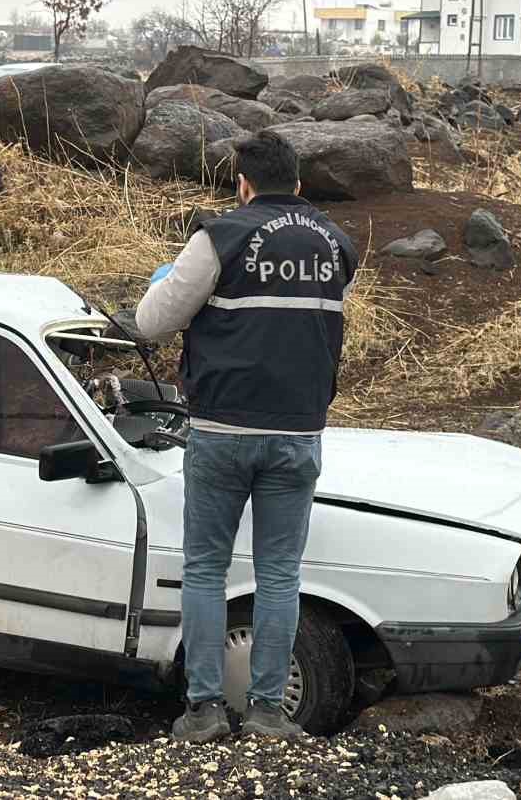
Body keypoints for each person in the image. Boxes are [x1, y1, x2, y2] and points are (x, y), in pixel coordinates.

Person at [133, 129, 358, 742]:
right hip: (298, 434)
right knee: (281, 574)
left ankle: (203, 711)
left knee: (206, 570)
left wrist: (165, 280)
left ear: (243, 183)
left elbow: (151, 323)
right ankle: (266, 713)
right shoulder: (338, 245)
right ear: (300, 184)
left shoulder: (219, 237)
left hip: (223, 430)